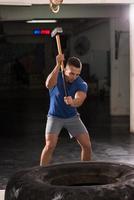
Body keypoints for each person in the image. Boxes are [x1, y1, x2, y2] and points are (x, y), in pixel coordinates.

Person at [40, 54, 92, 166]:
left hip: (72, 117)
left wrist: (73, 102)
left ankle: (85, 172)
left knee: (87, 146)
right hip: (54, 117)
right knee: (50, 146)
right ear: (64, 69)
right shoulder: (56, 76)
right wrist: (57, 64)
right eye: (71, 73)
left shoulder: (81, 83)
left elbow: (80, 98)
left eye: (77, 74)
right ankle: (41, 173)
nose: (74, 77)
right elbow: (48, 84)